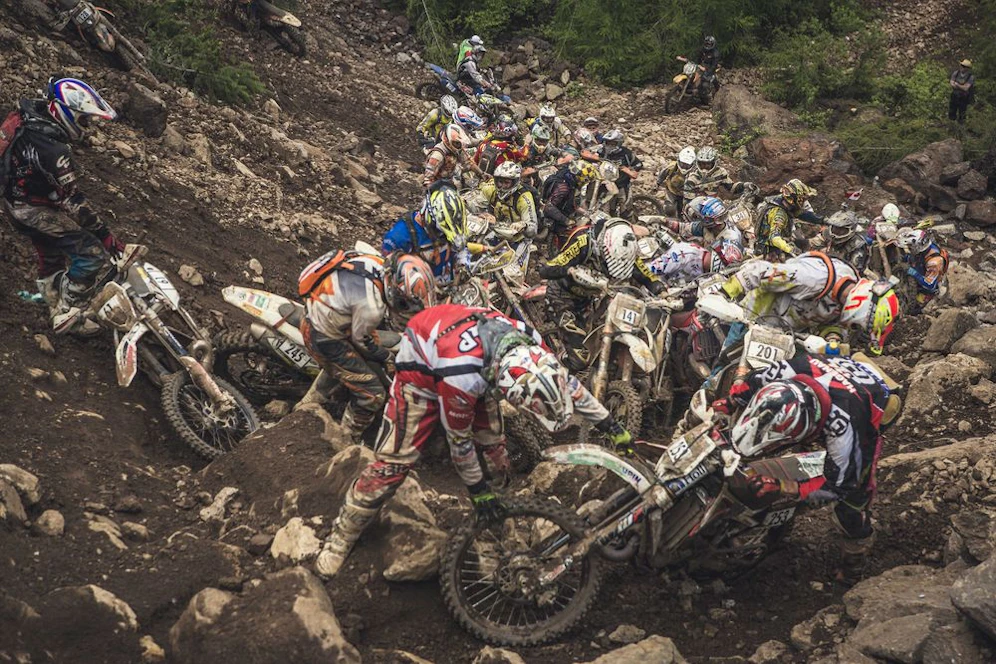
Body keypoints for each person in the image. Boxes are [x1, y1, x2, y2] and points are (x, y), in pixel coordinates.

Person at [314, 303, 639, 578]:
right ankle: (342, 535)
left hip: (480, 362)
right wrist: (477, 491)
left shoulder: (534, 344)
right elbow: (460, 443)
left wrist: (612, 426)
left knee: (497, 454)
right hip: (419, 377)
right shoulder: (462, 377)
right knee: (393, 466)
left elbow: (573, 388)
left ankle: (499, 525)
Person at [717, 353, 898, 582]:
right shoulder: (791, 368)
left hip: (872, 401)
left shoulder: (845, 427)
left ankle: (853, 564)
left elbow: (840, 486)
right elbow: (753, 381)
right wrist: (731, 401)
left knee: (852, 502)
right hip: (836, 377)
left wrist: (783, 487)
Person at [2, 77, 121, 334]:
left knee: (50, 252)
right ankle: (68, 311)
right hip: (31, 208)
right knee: (91, 253)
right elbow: (73, 201)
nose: (87, 127)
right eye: (84, 120)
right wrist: (107, 237)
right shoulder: (54, 150)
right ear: (68, 113)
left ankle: (53, 303)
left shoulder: (28, 117)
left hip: (16, 198)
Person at [297, 250, 436, 443]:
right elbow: (362, 341)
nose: (406, 309)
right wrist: (387, 357)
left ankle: (308, 403)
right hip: (323, 337)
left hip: (324, 312)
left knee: (355, 364)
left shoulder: (377, 263)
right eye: (405, 304)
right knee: (373, 394)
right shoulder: (372, 308)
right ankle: (346, 438)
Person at [718, 251, 901, 357]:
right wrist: (723, 293)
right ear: (859, 310)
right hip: (753, 318)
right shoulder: (813, 278)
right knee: (725, 365)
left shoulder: (845, 295)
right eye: (857, 325)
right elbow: (758, 271)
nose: (854, 328)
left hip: (787, 336)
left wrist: (833, 338)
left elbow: (833, 322)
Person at [538, 216, 664, 370]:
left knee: (597, 344)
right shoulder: (583, 242)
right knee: (580, 358)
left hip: (589, 301)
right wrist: (570, 270)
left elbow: (644, 274)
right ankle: (553, 373)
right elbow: (548, 268)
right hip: (562, 296)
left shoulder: (627, 250)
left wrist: (662, 290)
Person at [383, 183, 469, 279]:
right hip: (419, 285)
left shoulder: (452, 227)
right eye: (439, 231)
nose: (441, 235)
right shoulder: (400, 236)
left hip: (448, 280)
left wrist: (463, 264)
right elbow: (386, 274)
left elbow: (460, 248)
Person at [755, 179, 823, 260]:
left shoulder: (782, 202)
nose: (803, 202)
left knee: (803, 242)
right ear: (793, 198)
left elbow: (802, 214)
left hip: (778, 242)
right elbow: (774, 238)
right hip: (770, 250)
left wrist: (822, 220)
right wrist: (792, 250)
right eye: (801, 199)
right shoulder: (779, 214)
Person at [541, 159, 601, 249]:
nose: (585, 183)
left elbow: (573, 204)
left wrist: (586, 213)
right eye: (586, 180)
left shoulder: (568, 180)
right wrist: (566, 221)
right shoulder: (564, 187)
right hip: (549, 216)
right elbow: (549, 207)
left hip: (558, 209)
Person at [479, 161, 539, 238]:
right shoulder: (490, 189)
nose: (502, 186)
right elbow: (474, 204)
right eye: (500, 182)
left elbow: (533, 228)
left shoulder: (524, 197)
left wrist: (523, 225)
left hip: (517, 238)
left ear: (515, 182)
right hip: (493, 232)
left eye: (506, 182)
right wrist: (483, 214)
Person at [895, 227, 948, 313]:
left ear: (917, 246)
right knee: (910, 259)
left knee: (914, 310)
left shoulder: (934, 262)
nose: (909, 248)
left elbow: (929, 285)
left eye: (910, 247)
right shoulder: (926, 245)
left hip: (931, 286)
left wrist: (914, 273)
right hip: (923, 265)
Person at [648, 237, 745, 284]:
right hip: (656, 286)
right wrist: (661, 288)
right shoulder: (684, 255)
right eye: (727, 266)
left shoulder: (705, 268)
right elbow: (651, 269)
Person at [423, 124, 486, 189]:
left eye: (459, 143)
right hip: (440, 188)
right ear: (447, 141)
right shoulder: (437, 155)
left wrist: (482, 174)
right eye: (456, 143)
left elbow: (468, 163)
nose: (459, 146)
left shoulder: (457, 150)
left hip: (452, 182)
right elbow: (428, 180)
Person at [660, 195, 742, 245]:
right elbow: (682, 227)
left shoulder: (730, 238)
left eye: (697, 216)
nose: (697, 219)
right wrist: (663, 221)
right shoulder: (706, 227)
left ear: (708, 220)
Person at [598, 129, 643, 205]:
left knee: (624, 205)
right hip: (604, 182)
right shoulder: (601, 151)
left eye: (613, 144)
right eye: (608, 143)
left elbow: (639, 164)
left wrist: (629, 170)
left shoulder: (626, 153)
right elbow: (588, 154)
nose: (610, 146)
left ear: (619, 143)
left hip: (622, 184)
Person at [657, 146, 697, 215]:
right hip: (671, 191)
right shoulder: (672, 167)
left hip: (686, 194)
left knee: (685, 212)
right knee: (669, 209)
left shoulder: (695, 172)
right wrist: (658, 183)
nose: (684, 167)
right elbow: (663, 174)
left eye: (687, 165)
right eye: (682, 164)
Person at [948, 59, 975, 124]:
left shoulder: (970, 77)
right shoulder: (956, 73)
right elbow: (951, 83)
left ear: (967, 68)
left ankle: (961, 125)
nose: (962, 67)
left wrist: (957, 84)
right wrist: (961, 86)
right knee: (952, 110)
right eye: (962, 65)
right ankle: (951, 123)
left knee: (962, 112)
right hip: (954, 95)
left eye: (964, 66)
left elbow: (966, 88)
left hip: (964, 97)